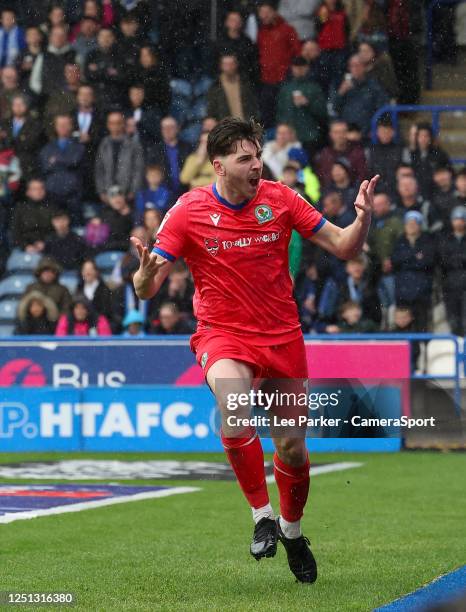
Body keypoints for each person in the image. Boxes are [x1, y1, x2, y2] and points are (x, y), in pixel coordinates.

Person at [131, 116, 379, 583]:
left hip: (283, 337)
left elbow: (344, 247)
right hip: (223, 334)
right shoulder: (188, 210)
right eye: (245, 158)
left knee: (293, 448)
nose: (256, 165)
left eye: (258, 155)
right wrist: (144, 272)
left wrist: (362, 220)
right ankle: (261, 515)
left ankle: (291, 530)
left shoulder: (282, 199)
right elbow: (146, 290)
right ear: (218, 165)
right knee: (233, 403)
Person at [256, 2, 301, 128]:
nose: (263, 16)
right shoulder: (261, 32)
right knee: (267, 116)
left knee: (284, 115)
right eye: (261, 13)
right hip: (266, 81)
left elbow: (297, 53)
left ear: (274, 12)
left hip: (284, 80)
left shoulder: (288, 30)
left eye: (266, 12)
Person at [391, 211, 435, 332]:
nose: (411, 226)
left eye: (415, 223)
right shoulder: (399, 241)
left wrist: (407, 259)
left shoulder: (427, 241)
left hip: (422, 291)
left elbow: (428, 262)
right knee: (403, 325)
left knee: (422, 324)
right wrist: (415, 256)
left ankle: (422, 350)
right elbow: (395, 261)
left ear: (420, 225)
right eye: (409, 223)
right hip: (403, 291)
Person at [276, 56, 327, 155]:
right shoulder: (286, 89)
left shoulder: (314, 88)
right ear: (292, 68)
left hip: (310, 136)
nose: (299, 69)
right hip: (290, 138)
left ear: (307, 68)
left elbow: (323, 113)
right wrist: (284, 132)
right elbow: (280, 113)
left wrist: (308, 103)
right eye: (296, 66)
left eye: (302, 66)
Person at [39, 114, 85, 224]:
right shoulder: (47, 147)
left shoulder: (79, 146)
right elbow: (45, 166)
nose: (63, 127)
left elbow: (75, 161)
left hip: (72, 194)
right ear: (55, 127)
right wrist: (65, 161)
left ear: (71, 126)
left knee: (75, 227)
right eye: (60, 125)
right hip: (53, 193)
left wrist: (57, 160)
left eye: (66, 124)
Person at [334, 54, 389, 139]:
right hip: (347, 136)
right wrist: (341, 92)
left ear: (364, 67)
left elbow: (382, 109)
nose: (355, 69)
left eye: (357, 65)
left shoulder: (374, 86)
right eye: (352, 66)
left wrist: (370, 131)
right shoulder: (343, 86)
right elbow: (335, 108)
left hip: (368, 135)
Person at [95, 110, 145, 202]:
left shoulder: (133, 145)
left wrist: (133, 191)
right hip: (107, 193)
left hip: (127, 194)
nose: (115, 126)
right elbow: (99, 169)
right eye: (112, 123)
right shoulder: (104, 144)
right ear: (108, 125)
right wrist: (101, 191)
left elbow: (138, 169)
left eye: (118, 123)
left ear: (123, 124)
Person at [436, 206, 466, 337]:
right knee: (453, 320)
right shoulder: (446, 240)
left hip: (463, 284)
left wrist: (456, 260)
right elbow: (443, 261)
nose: (459, 222)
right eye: (456, 219)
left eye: (461, 219)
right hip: (450, 285)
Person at [147, 116, 192, 199]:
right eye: (165, 128)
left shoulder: (188, 148)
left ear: (177, 129)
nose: (167, 130)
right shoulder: (155, 150)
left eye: (171, 127)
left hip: (186, 191)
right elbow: (152, 172)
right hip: (163, 194)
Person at [315, 119, 367, 188]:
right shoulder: (325, 155)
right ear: (330, 134)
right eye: (336, 132)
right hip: (331, 194)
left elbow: (362, 176)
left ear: (348, 133)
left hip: (354, 192)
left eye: (343, 132)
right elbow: (323, 179)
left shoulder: (357, 152)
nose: (340, 135)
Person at [207, 54, 259, 122]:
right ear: (221, 66)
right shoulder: (215, 86)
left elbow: (253, 107)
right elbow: (212, 109)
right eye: (226, 64)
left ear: (236, 64)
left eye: (231, 64)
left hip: (246, 126)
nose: (229, 67)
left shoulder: (245, 83)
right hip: (226, 128)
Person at [11, 178, 54, 253]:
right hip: (23, 249)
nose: (39, 191)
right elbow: (15, 232)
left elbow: (56, 230)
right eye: (35, 189)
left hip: (48, 248)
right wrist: (25, 246)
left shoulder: (52, 208)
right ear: (28, 192)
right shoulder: (20, 209)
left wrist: (45, 243)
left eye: (41, 188)